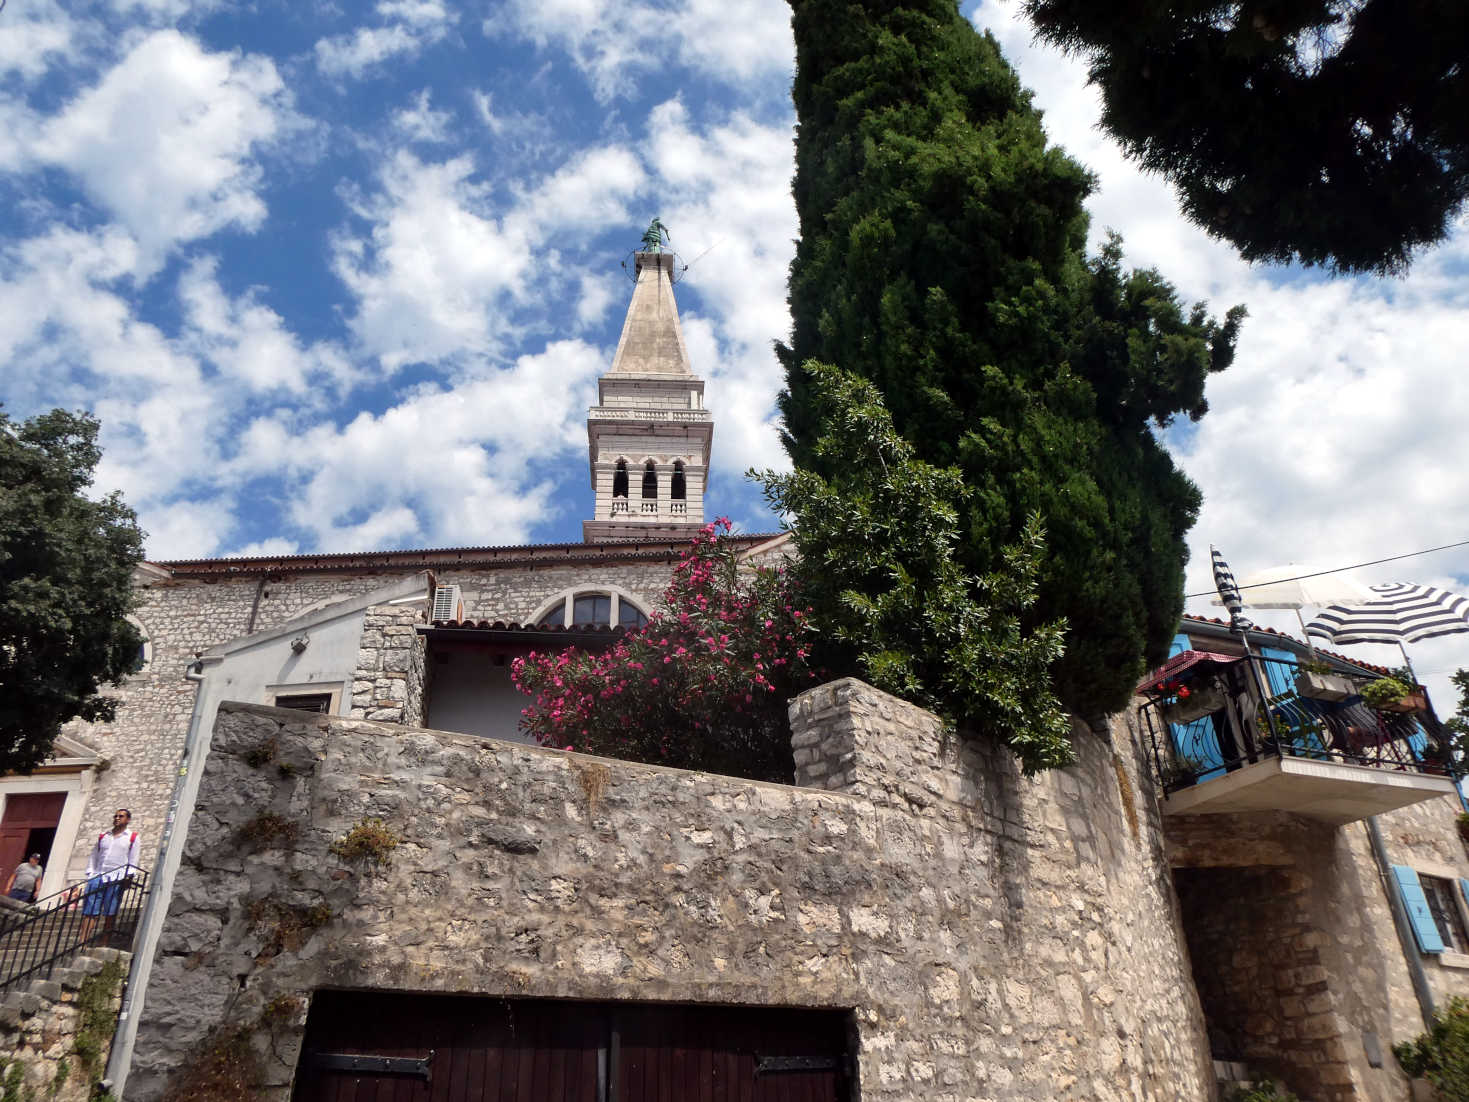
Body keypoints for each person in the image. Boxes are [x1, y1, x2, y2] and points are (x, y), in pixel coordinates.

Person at [79, 809, 140, 942]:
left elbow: (133, 859)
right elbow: (94, 855)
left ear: (128, 819)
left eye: (121, 816)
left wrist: (129, 876)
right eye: (116, 816)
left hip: (117, 877)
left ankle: (104, 942)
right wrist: (91, 873)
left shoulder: (132, 837)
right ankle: (83, 941)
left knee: (110, 912)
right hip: (98, 876)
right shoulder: (103, 836)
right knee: (89, 911)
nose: (117, 818)